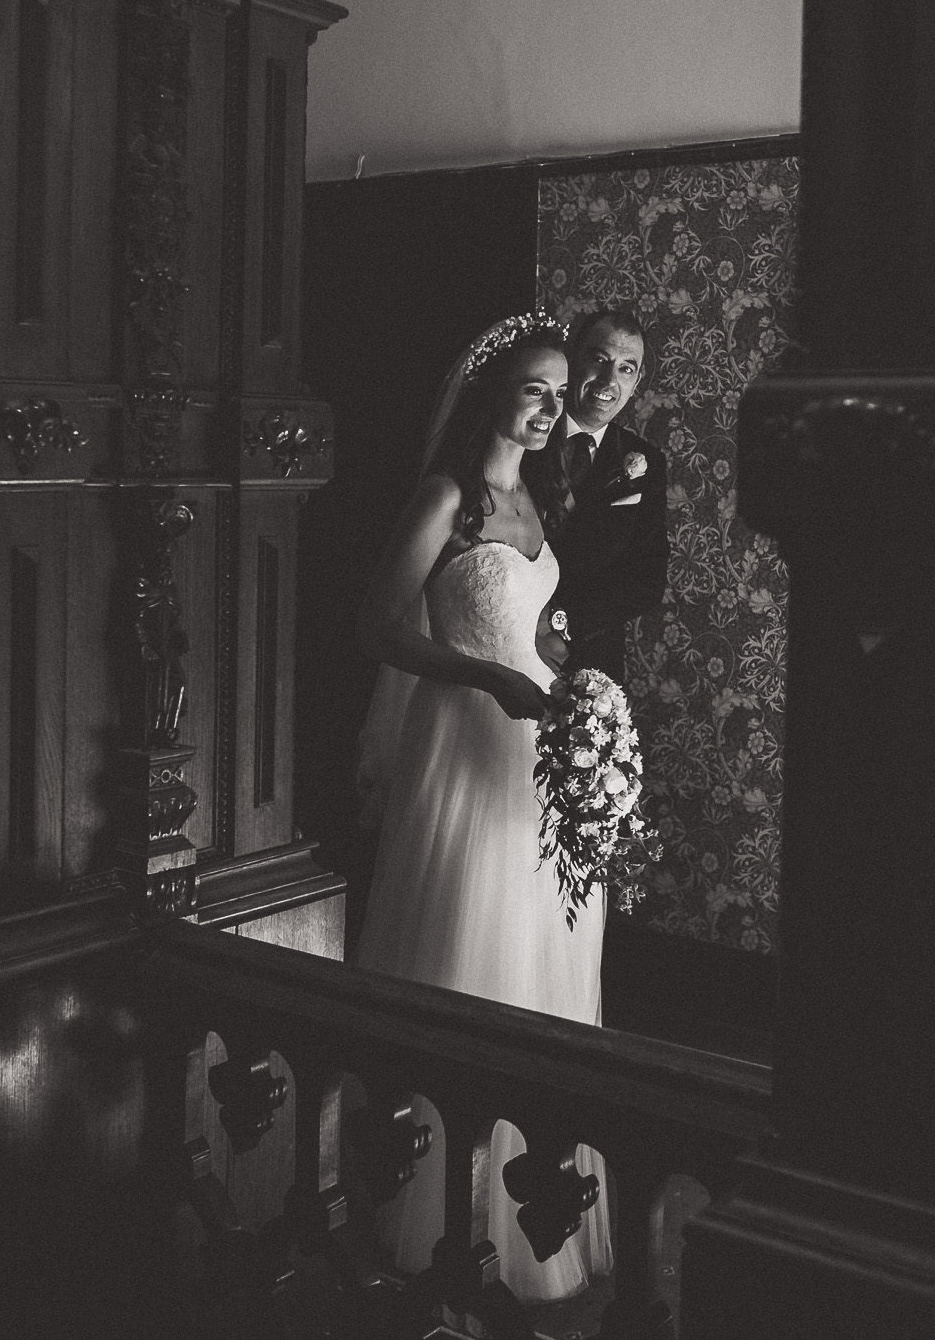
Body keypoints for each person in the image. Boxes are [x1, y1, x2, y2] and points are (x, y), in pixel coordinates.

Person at [350, 311, 614, 1303]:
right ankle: (437, 1226)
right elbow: (376, 624)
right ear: (491, 389)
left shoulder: (539, 499)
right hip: (464, 754)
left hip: (535, 767)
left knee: (539, 958)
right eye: (537, 388)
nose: (554, 406)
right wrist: (484, 679)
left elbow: (535, 629)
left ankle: (531, 1223)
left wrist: (574, 702)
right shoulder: (449, 495)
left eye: (562, 390)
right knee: (472, 957)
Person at [538, 309, 669, 688]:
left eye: (626, 368)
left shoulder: (649, 462)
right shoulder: (526, 434)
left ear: (637, 380)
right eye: (599, 359)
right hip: (500, 649)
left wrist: (562, 622)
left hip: (591, 667)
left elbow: (647, 579)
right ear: (572, 357)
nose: (608, 381)